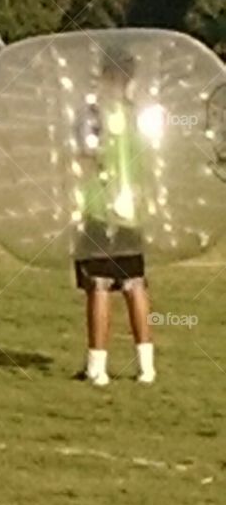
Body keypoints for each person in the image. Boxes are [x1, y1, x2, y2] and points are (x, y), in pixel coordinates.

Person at [73, 52, 155, 386]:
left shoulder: (93, 114)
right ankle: (146, 366)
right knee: (135, 284)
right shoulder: (138, 117)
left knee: (99, 284)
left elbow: (83, 155)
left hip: (99, 207)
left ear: (106, 76)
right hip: (131, 210)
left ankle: (97, 367)